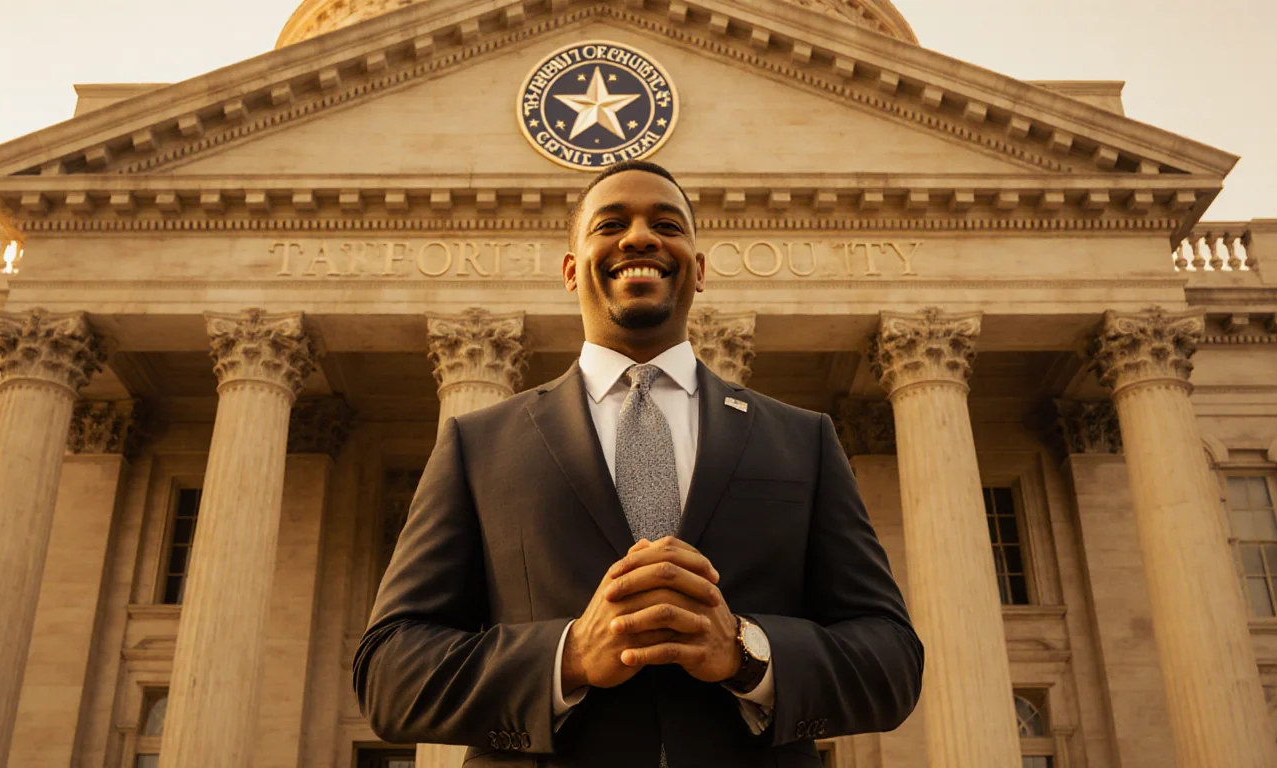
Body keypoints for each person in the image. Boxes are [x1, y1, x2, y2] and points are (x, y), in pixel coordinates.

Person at [353, 160, 923, 767]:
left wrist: (745, 652)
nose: (641, 237)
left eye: (668, 224)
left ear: (699, 270)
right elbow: (390, 672)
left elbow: (890, 661)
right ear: (571, 271)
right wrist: (568, 657)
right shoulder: (479, 444)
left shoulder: (800, 439)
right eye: (610, 223)